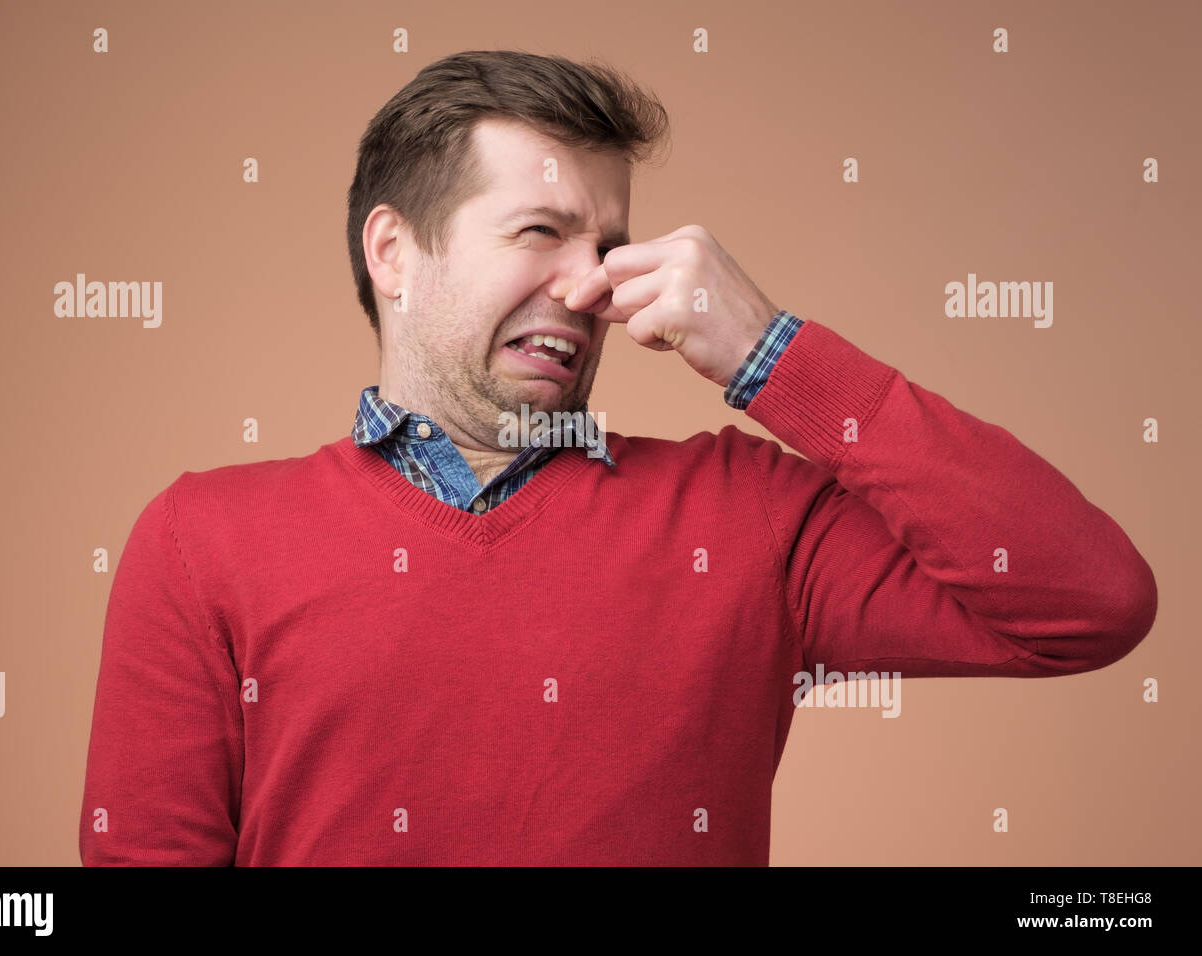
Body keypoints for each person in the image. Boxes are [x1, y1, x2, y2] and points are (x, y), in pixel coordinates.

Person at [79, 50, 1156, 866]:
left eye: (604, 244)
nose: (586, 283)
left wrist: (773, 356)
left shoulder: (747, 516)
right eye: (539, 232)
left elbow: (1087, 599)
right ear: (393, 250)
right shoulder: (201, 538)